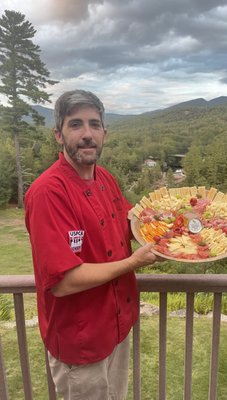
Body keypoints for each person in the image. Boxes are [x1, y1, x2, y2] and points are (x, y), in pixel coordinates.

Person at [24, 89, 159, 400]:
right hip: (80, 342)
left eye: (94, 125)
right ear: (58, 134)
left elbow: (134, 226)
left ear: (105, 133)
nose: (87, 134)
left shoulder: (106, 179)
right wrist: (134, 263)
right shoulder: (47, 193)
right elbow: (63, 282)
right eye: (76, 125)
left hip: (117, 328)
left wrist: (173, 238)